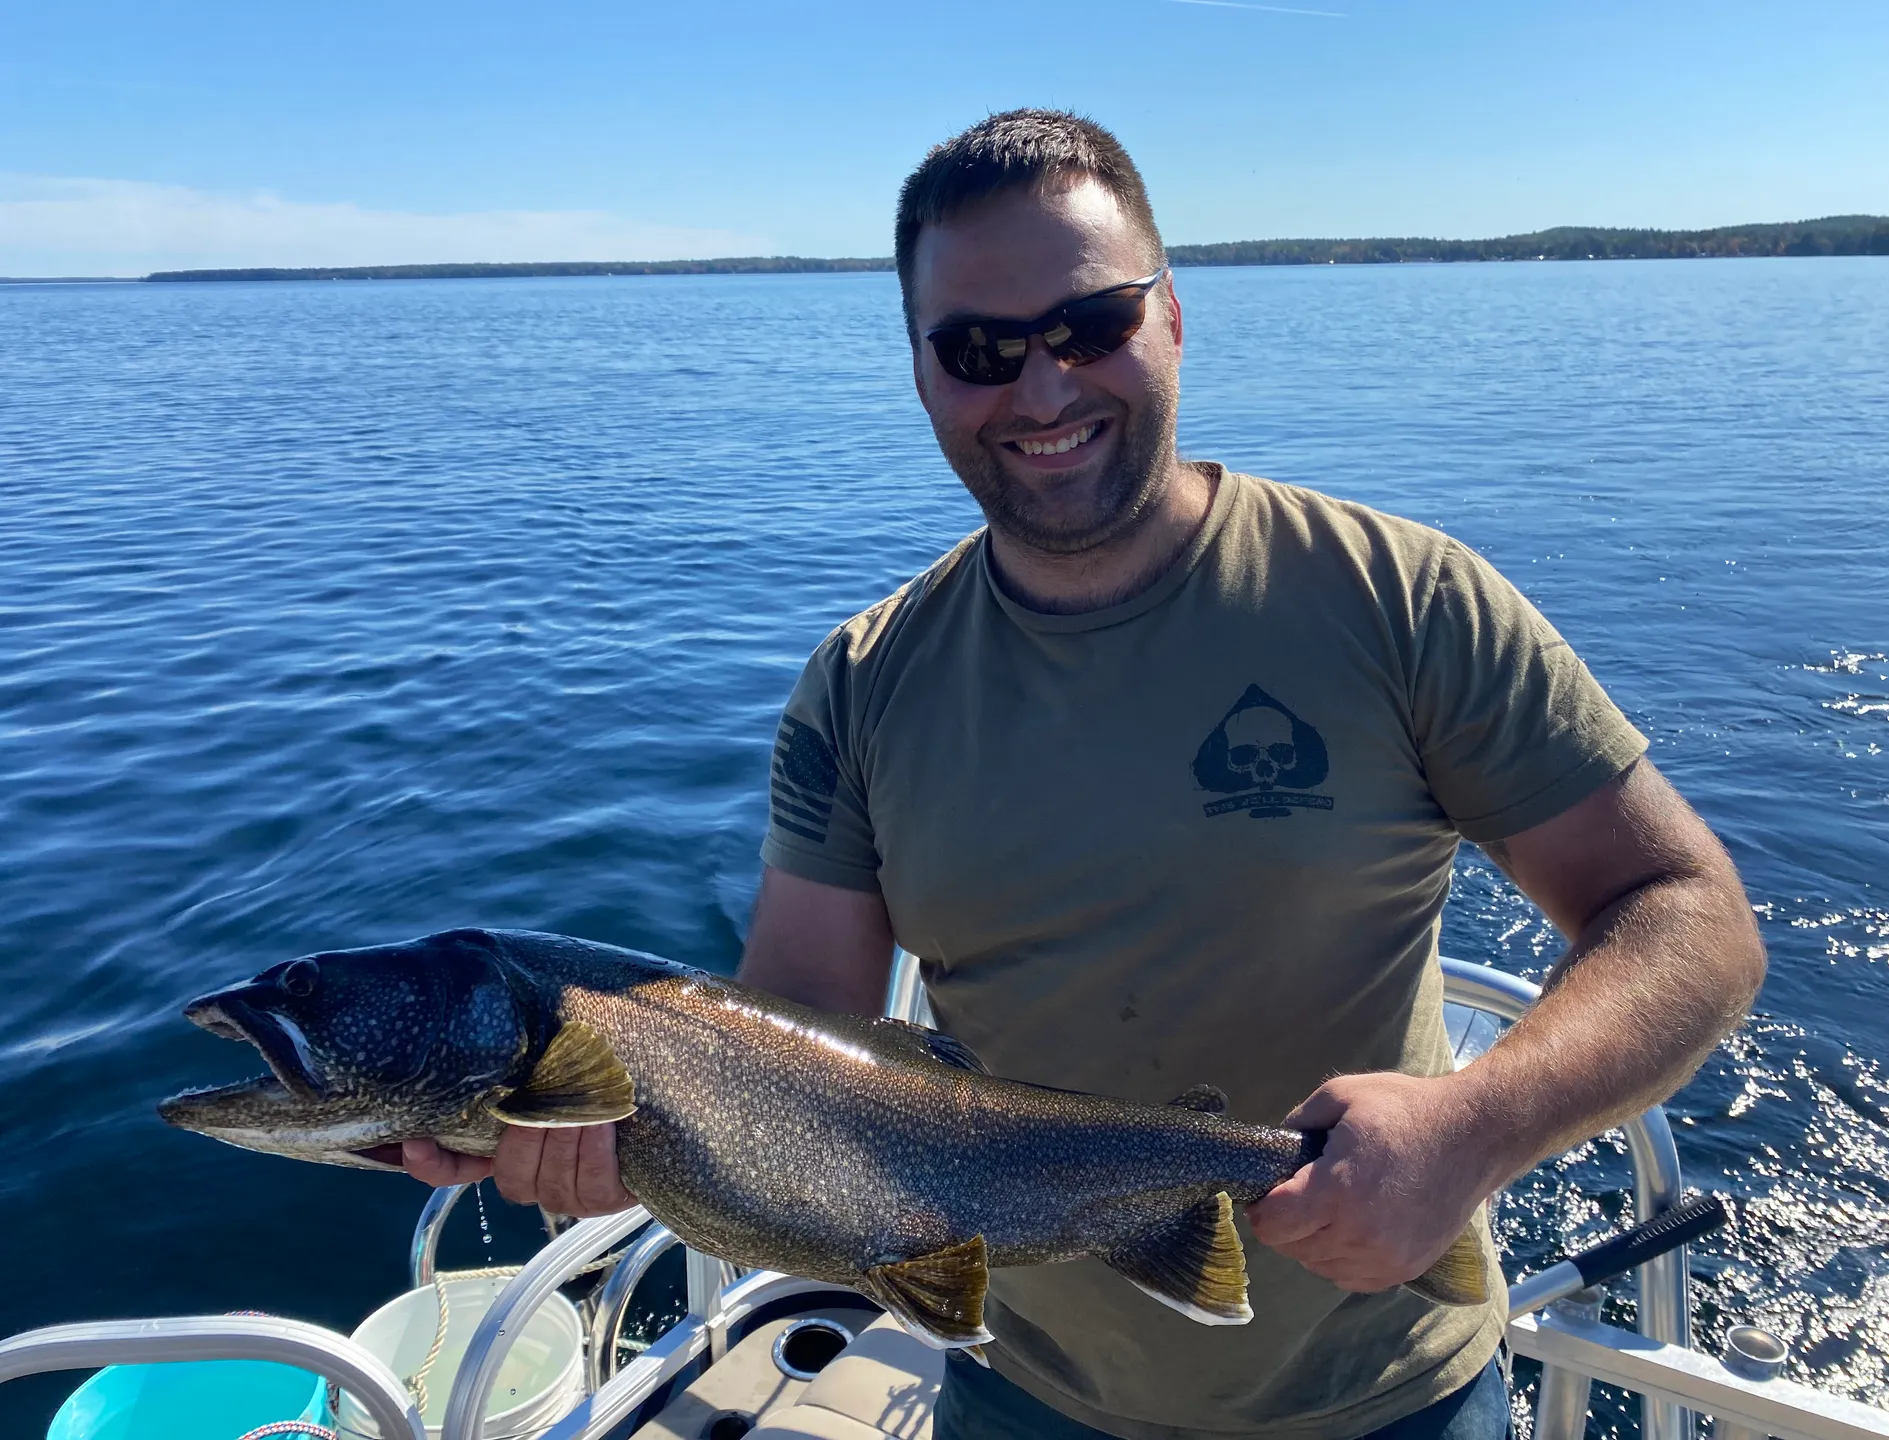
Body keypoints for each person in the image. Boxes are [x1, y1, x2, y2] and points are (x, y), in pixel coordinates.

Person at [404, 110, 1766, 1440]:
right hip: (1022, 1390)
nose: (1044, 388)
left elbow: (1687, 913)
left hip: (1391, 1394)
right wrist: (595, 1134)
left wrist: (1477, 1126)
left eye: (1090, 323)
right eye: (979, 348)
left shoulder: (1397, 600)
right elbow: (789, 1043)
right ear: (922, 373)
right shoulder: (865, 684)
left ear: (1172, 314)